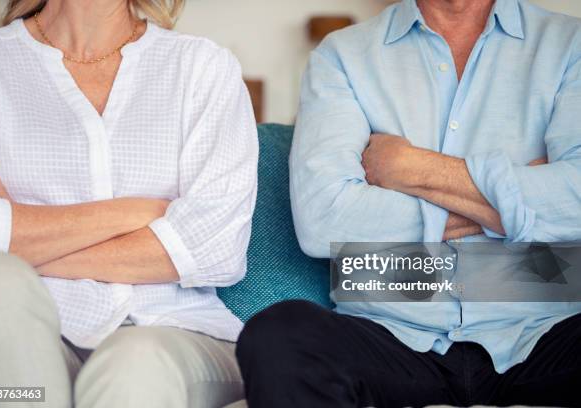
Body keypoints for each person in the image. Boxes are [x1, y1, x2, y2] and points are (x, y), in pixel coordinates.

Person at [236, 0, 581, 407]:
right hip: (389, 329)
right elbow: (322, 220)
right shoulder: (342, 55)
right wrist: (517, 192)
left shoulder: (570, 44)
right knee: (280, 335)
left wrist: (408, 168)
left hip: (543, 325)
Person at [0, 0, 258, 407]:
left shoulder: (202, 66)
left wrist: (20, 237)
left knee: (133, 362)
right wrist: (137, 213)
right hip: (31, 334)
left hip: (174, 333)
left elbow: (214, 249)